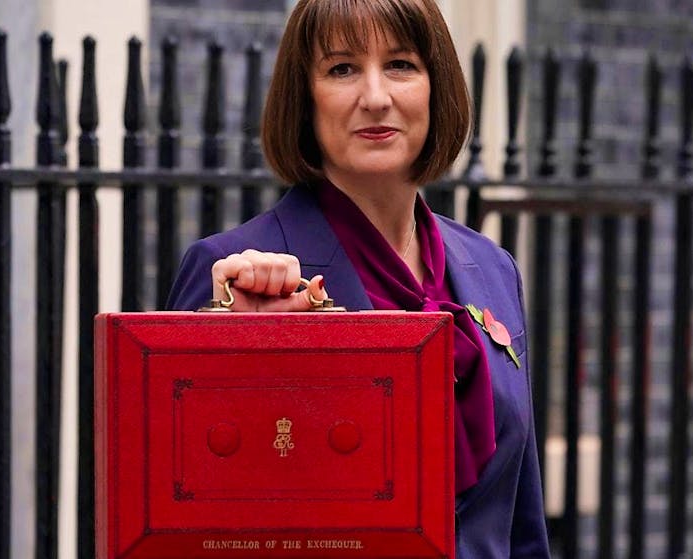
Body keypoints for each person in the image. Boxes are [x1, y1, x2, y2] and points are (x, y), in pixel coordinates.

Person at [167, 0, 550, 556]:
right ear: (305, 100)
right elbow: (185, 521)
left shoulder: (493, 268)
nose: (376, 97)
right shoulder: (233, 276)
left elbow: (521, 524)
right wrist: (234, 341)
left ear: (434, 86)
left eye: (400, 64)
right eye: (341, 68)